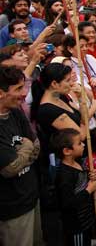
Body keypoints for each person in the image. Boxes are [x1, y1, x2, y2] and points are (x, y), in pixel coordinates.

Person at [0, 66, 40, 246]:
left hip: (30, 196)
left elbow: (36, 146)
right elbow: (9, 168)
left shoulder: (15, 111)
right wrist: (27, 147)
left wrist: (26, 149)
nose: (24, 94)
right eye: (18, 89)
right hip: (12, 207)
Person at [51, 128, 96, 246]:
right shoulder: (64, 176)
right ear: (67, 151)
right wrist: (89, 190)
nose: (83, 145)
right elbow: (67, 203)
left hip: (85, 218)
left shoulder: (78, 162)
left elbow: (80, 183)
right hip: (76, 225)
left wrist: (89, 176)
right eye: (79, 143)